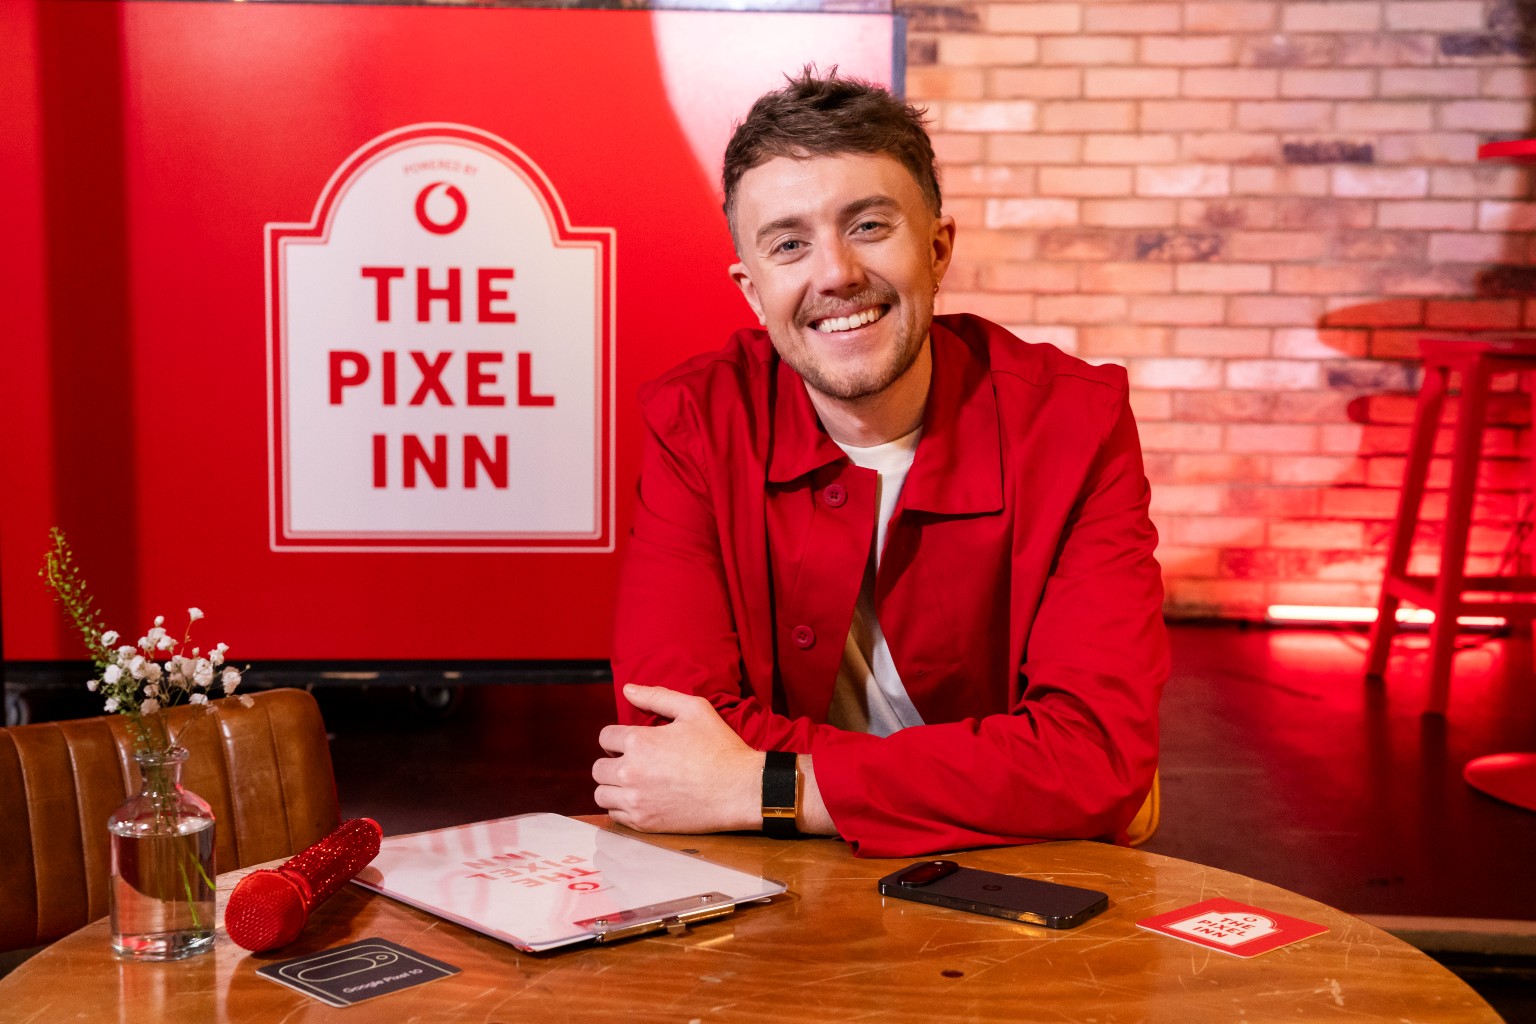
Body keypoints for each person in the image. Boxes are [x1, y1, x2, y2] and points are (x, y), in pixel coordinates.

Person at [592, 69, 1168, 858]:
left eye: (868, 225)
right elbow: (669, 736)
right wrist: (997, 775)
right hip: (785, 872)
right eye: (789, 244)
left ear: (937, 249)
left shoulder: (1075, 422)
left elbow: (1095, 758)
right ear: (753, 292)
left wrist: (768, 784)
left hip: (1009, 870)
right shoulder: (695, 423)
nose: (835, 273)